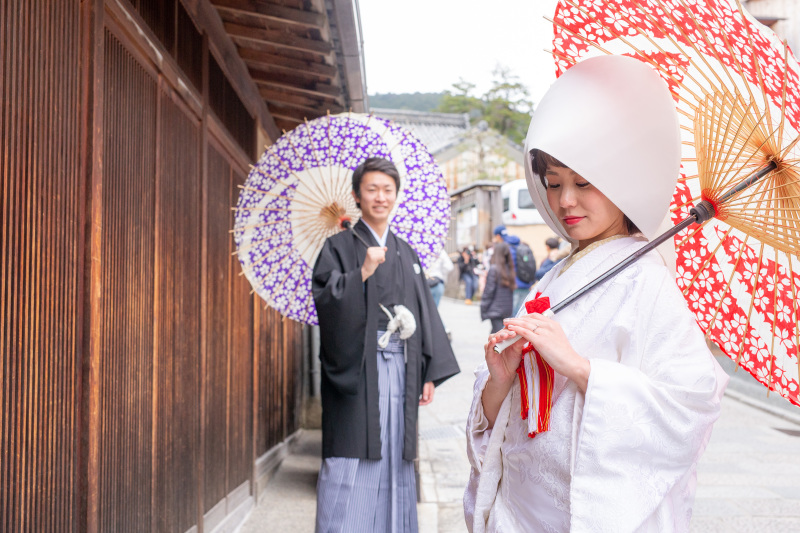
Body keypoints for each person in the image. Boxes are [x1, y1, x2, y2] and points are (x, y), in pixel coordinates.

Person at [464, 56, 727, 532]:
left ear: (622, 180)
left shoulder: (647, 282)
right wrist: (499, 381)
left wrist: (581, 369)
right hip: (520, 511)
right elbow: (505, 413)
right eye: (554, 183)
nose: (565, 201)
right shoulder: (552, 279)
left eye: (583, 183)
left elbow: (692, 401)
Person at [312, 157, 460, 532]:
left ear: (395, 195)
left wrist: (428, 370)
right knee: (351, 453)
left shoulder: (405, 252)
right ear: (356, 196)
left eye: (387, 190)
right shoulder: (337, 248)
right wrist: (361, 273)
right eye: (372, 189)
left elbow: (424, 311)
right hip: (357, 369)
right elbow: (326, 300)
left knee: (396, 451)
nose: (380, 197)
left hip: (402, 367)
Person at [492, 225, 533, 315]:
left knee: (510, 315)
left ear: (498, 236)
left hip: (513, 285)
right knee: (520, 313)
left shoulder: (504, 248)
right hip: (526, 284)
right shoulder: (519, 244)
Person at [479, 241, 516, 334]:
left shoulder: (494, 269)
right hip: (507, 309)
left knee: (497, 336)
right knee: (498, 334)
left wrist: (483, 308)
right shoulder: (510, 269)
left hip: (495, 309)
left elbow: (489, 291)